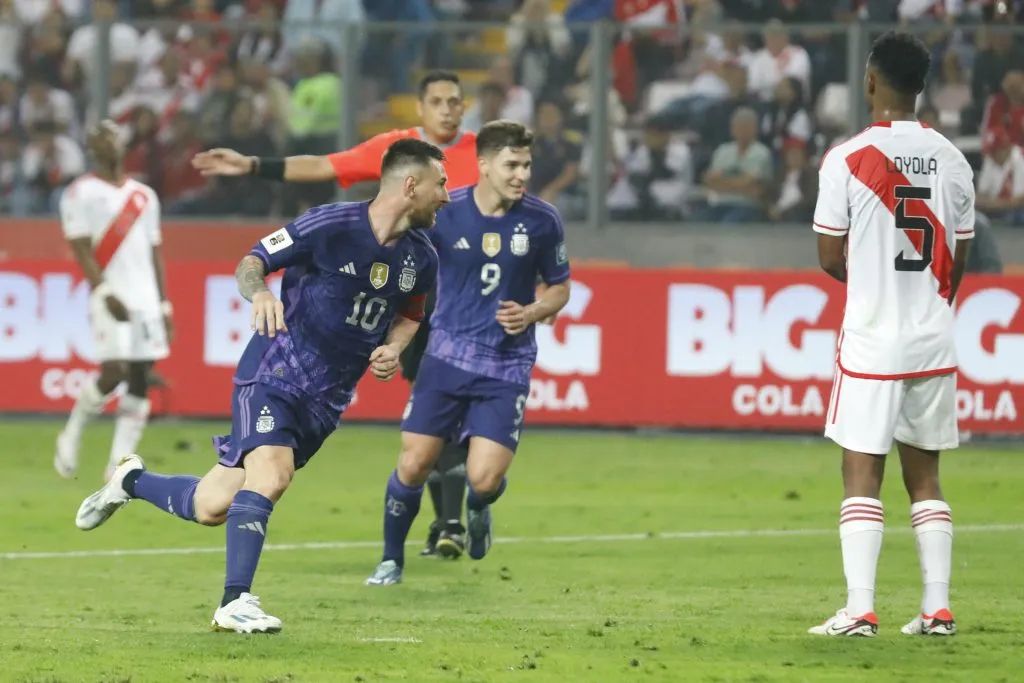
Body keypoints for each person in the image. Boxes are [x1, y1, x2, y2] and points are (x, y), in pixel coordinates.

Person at [72, 138, 447, 633]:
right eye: (440, 184)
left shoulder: (422, 258)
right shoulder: (330, 224)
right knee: (271, 476)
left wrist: (395, 347)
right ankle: (235, 601)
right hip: (273, 371)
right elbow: (253, 261)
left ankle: (131, 481)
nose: (446, 195)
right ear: (411, 184)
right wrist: (261, 293)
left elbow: (411, 315)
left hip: (326, 399)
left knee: (211, 506)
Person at [191, 70, 480, 558]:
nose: (448, 109)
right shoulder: (394, 151)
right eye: (438, 100)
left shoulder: (482, 153)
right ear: (421, 107)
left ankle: (450, 518)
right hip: (358, 324)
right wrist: (255, 165)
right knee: (265, 477)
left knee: (445, 408)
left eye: (456, 100)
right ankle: (235, 599)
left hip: (457, 301)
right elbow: (324, 165)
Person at [809, 31, 974, 638]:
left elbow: (829, 256)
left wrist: (877, 285)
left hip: (874, 341)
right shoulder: (955, 159)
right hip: (933, 339)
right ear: (922, 87)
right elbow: (960, 258)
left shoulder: (847, 159)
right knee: (925, 478)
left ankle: (859, 609)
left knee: (861, 475)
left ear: (870, 81)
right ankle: (937, 609)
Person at [365, 120, 572, 586]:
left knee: (482, 480)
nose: (522, 174)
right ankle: (390, 560)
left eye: (527, 165)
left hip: (506, 366)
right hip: (444, 357)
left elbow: (560, 288)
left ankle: (478, 508)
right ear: (483, 165)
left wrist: (535, 310)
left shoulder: (542, 220)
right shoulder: (446, 212)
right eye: (512, 164)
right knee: (414, 463)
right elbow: (406, 259)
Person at [55, 120, 172, 483]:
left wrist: (164, 305)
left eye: (113, 135)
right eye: (100, 136)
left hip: (146, 299)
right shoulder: (80, 192)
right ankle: (71, 433)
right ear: (92, 147)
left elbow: (154, 252)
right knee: (115, 371)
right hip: (111, 294)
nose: (110, 141)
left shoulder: (144, 195)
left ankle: (118, 466)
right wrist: (103, 291)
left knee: (139, 378)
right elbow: (80, 248)